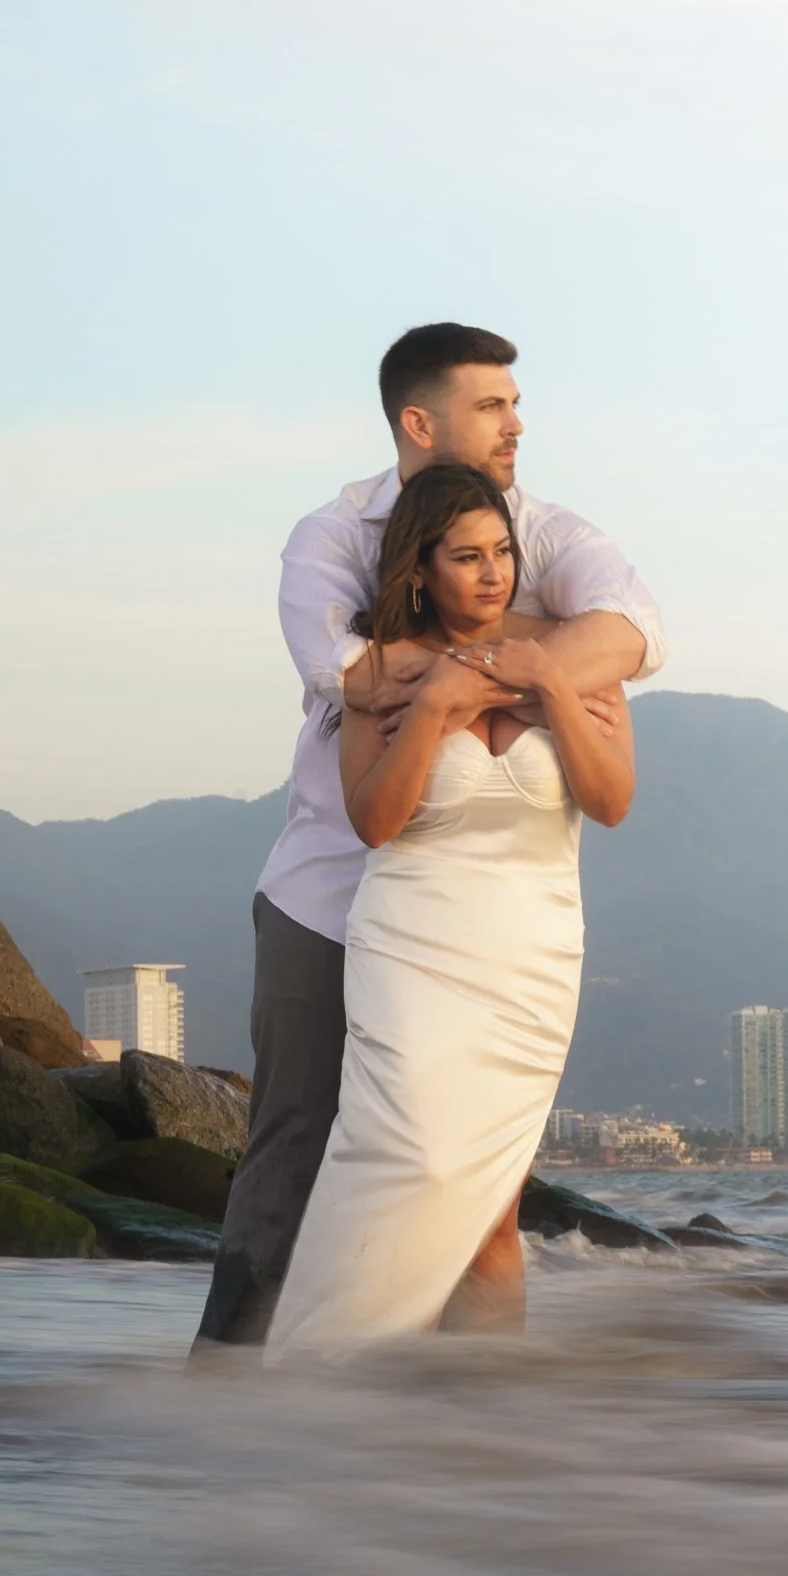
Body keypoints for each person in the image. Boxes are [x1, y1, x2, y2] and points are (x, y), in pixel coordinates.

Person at [193, 324, 662, 1353]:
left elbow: (634, 630)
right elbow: (342, 666)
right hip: (331, 897)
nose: (517, 423)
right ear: (421, 420)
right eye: (493, 405)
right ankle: (230, 1398)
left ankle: (459, 1430)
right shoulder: (329, 534)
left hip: (506, 935)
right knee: (299, 1152)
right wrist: (471, 673)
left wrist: (517, 665)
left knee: (481, 1188)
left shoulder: (546, 530)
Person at [265, 462, 634, 1350]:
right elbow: (376, 823)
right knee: (414, 1164)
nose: (494, 571)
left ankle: (472, 1425)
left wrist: (548, 686)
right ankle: (345, 1377)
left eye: (503, 551)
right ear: (418, 570)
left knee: (492, 1208)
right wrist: (433, 708)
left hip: (533, 961)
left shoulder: (577, 656)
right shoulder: (381, 671)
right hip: (413, 950)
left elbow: (612, 800)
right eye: (466, 556)